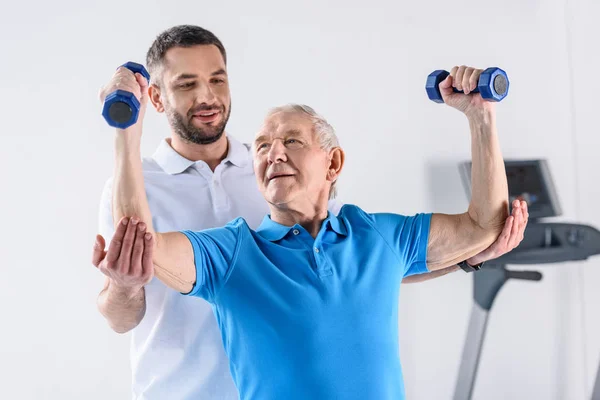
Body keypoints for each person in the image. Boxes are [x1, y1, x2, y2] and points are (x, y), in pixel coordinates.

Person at [93, 25, 528, 400]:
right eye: (186, 84)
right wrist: (125, 134)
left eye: (217, 79)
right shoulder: (221, 246)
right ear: (156, 97)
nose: (207, 96)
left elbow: (369, 274)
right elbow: (134, 272)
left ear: (333, 165)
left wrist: (468, 252)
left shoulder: (363, 230)